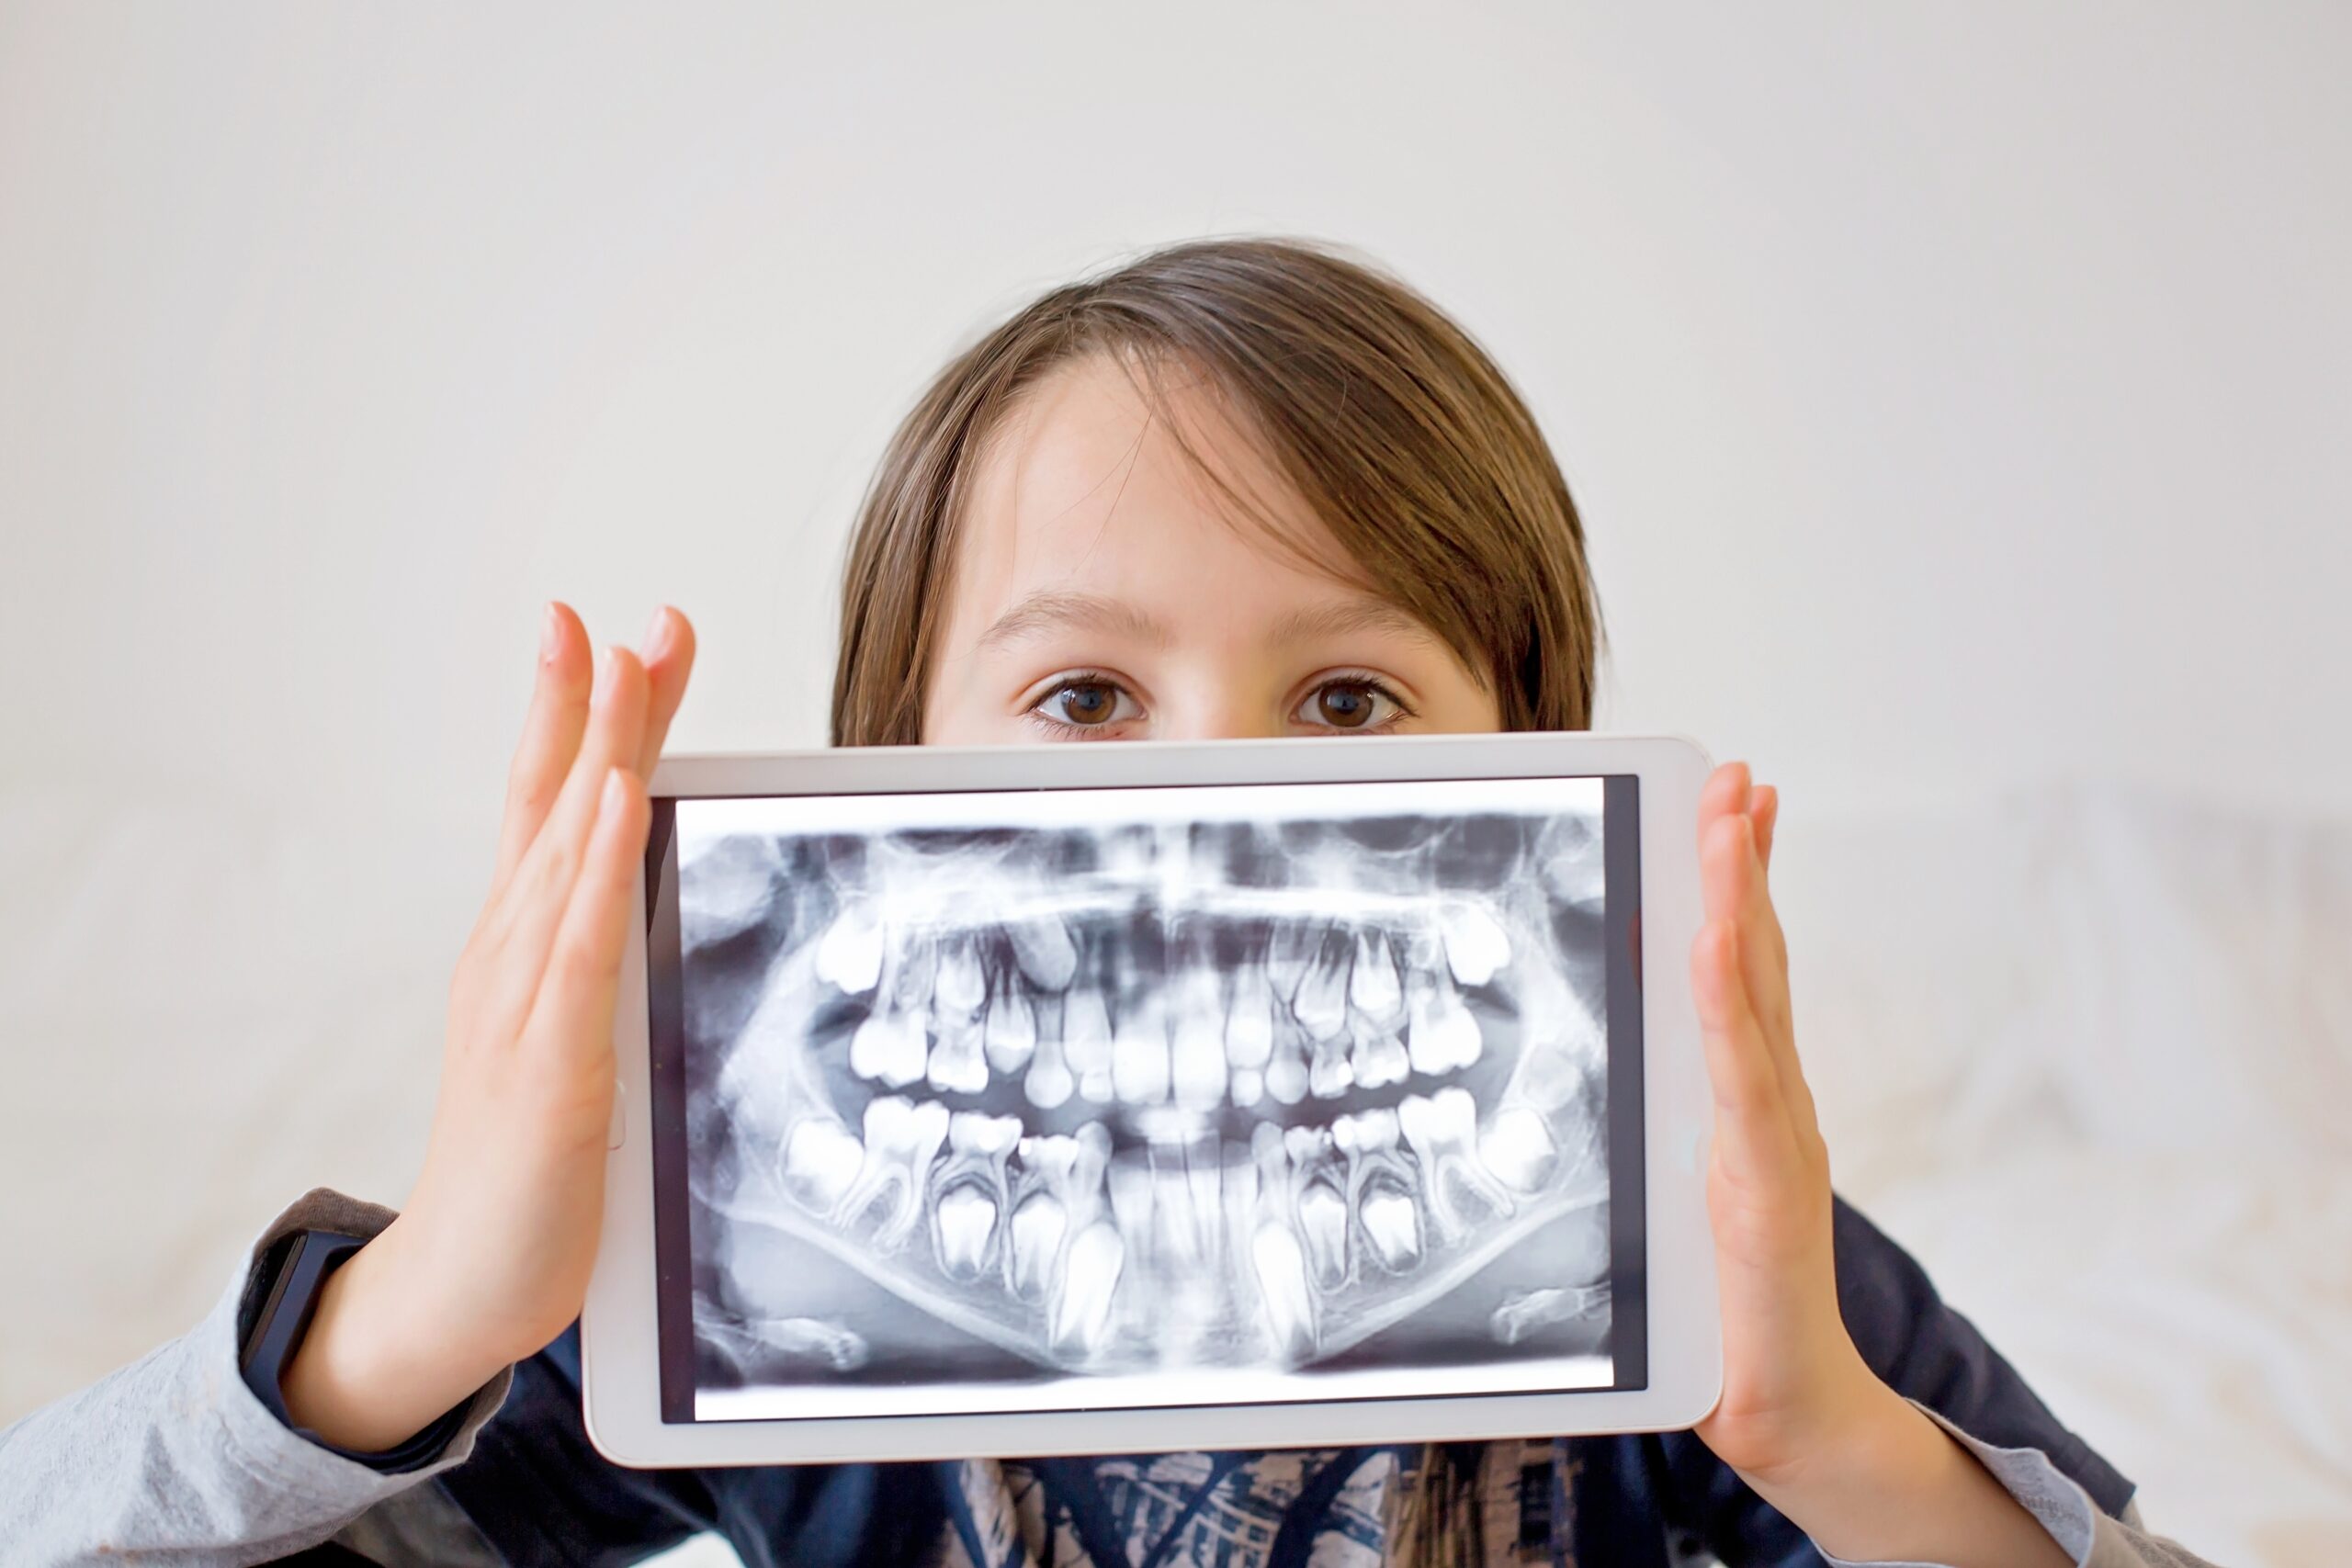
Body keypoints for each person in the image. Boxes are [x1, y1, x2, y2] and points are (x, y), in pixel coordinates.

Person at [0, 240, 2218, 1568]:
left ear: (1541, 772)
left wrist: (1823, 1435)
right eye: (1080, 690)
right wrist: (421, 1311)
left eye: (1346, 695)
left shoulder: (1730, 1279)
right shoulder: (732, 1281)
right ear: (880, 783)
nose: (1210, 802)